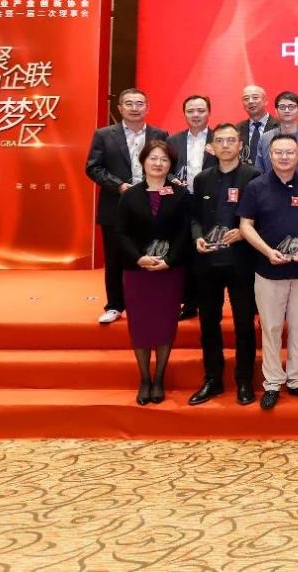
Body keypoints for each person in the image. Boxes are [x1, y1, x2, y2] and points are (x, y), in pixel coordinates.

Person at [237, 133, 298, 410]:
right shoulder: (255, 186)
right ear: (270, 155)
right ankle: (272, 382)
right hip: (267, 269)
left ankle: (297, 379)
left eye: (289, 152)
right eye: (278, 152)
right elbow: (245, 225)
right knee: (271, 328)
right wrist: (266, 251)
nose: (284, 157)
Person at [187, 123, 261, 408]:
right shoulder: (202, 178)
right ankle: (213, 378)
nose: (226, 145)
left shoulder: (253, 177)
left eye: (231, 140)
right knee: (208, 323)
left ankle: (244, 380)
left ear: (240, 145)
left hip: (241, 261)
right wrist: (197, 237)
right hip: (208, 262)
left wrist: (244, 232)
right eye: (220, 140)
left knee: (244, 324)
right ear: (212, 146)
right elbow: (194, 217)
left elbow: (263, 215)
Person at [85, 88, 167, 325]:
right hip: (115, 205)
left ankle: (147, 303)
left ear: (147, 108)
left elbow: (167, 165)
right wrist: (119, 186)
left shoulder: (159, 134)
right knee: (115, 259)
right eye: (129, 103)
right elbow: (93, 167)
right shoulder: (104, 135)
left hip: (152, 206)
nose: (134, 108)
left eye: (139, 103)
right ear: (120, 108)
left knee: (150, 255)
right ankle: (114, 306)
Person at [117, 139, 190, 405]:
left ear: (171, 165)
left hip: (169, 272)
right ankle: (144, 378)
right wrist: (138, 258)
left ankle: (158, 378)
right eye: (153, 158)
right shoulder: (130, 195)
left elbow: (185, 232)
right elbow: (121, 233)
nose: (158, 164)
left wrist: (169, 260)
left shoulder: (180, 194)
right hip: (138, 271)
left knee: (164, 324)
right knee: (140, 325)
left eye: (164, 159)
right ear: (143, 161)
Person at [167, 93, 216, 321]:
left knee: (209, 253)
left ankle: (209, 301)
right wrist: (172, 180)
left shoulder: (220, 139)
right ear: (184, 114)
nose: (196, 115)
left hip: (211, 204)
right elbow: (164, 168)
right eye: (191, 111)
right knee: (184, 252)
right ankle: (188, 302)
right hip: (181, 203)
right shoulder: (173, 141)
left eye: (201, 110)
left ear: (209, 112)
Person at [256, 91, 298, 187]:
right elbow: (259, 171)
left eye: (291, 107)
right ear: (276, 111)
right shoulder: (265, 138)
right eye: (282, 107)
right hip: (270, 191)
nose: (287, 110)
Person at [236, 84, 278, 166]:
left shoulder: (280, 127)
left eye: (255, 97)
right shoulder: (237, 129)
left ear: (265, 101)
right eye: (246, 99)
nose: (250, 101)